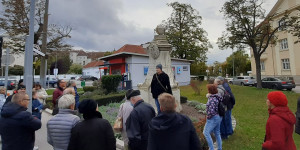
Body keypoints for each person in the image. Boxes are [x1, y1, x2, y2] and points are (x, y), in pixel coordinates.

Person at [203, 84, 223, 150]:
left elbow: (211, 111)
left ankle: (211, 148)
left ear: (210, 90)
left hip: (213, 118)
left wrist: (208, 117)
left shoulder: (212, 99)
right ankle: (220, 148)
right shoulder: (217, 97)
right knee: (217, 133)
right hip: (219, 116)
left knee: (206, 132)